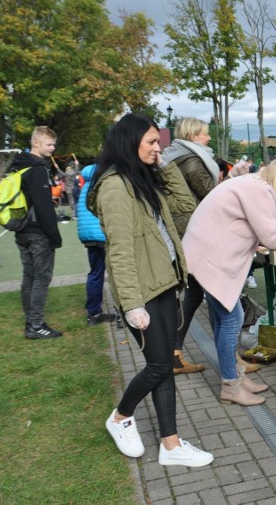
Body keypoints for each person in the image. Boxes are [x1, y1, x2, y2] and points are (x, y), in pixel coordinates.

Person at [89, 112, 213, 467]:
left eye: (157, 142)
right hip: (141, 291)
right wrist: (131, 304)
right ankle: (120, 417)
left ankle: (170, 445)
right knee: (159, 366)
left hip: (163, 282)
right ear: (129, 143)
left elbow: (186, 206)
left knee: (161, 365)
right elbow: (120, 250)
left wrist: (163, 167)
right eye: (151, 142)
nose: (157, 147)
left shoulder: (142, 178)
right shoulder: (115, 187)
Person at [183, 158, 276, 407]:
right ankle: (230, 385)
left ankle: (235, 375)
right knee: (232, 319)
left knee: (222, 318)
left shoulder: (251, 182)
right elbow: (271, 238)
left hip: (201, 254)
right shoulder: (261, 189)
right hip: (210, 259)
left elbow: (243, 224)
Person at [161, 117, 221, 375]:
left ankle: (174, 353)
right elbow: (212, 197)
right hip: (196, 231)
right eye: (205, 134)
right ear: (194, 135)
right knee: (217, 296)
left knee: (194, 294)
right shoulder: (192, 162)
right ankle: (230, 362)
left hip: (184, 231)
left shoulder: (174, 156)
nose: (208, 138)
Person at [10, 126, 63, 339]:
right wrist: (54, 236)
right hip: (37, 231)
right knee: (41, 277)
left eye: (53, 144)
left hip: (21, 228)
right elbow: (43, 207)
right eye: (49, 144)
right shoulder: (37, 168)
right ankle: (36, 324)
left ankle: (30, 321)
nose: (52, 148)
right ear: (36, 144)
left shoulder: (18, 167)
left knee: (29, 276)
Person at [76, 163, 117, 326]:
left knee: (96, 273)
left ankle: (93, 313)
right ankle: (122, 311)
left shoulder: (86, 184)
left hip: (88, 235)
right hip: (102, 233)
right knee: (116, 273)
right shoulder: (105, 183)